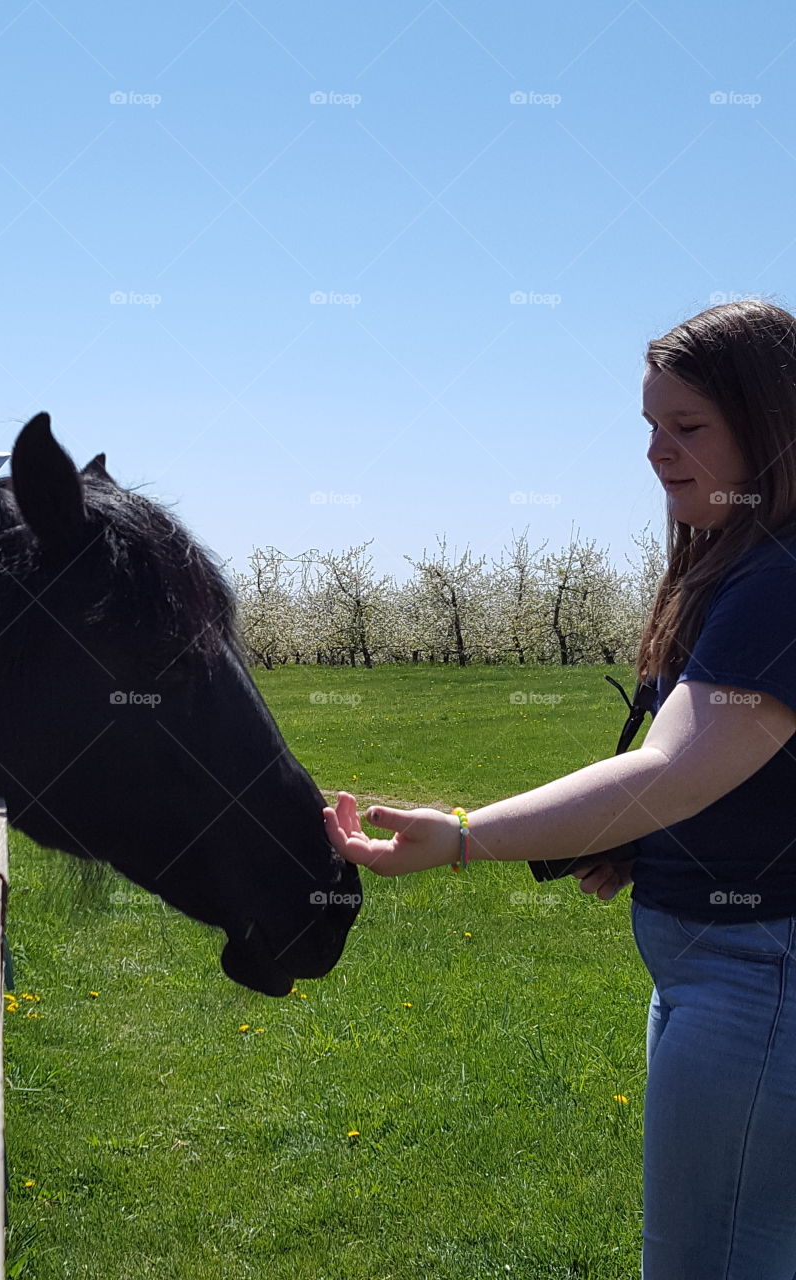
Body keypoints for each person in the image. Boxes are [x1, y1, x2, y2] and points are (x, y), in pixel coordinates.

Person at [323, 298, 796, 1280]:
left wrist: (463, 834)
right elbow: (711, 768)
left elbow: (671, 768)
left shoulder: (780, 578)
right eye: (652, 428)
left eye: (690, 427)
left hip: (760, 980)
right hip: (727, 971)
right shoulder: (739, 566)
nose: (660, 452)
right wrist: (646, 843)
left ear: (771, 423)